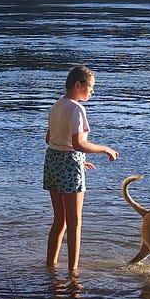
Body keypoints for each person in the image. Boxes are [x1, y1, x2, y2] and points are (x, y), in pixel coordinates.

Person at [43, 65, 118, 274]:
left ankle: (50, 265)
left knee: (59, 220)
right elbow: (78, 144)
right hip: (68, 163)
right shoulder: (77, 109)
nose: (92, 92)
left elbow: (50, 138)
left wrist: (79, 160)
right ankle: (73, 272)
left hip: (53, 163)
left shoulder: (57, 105)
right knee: (75, 223)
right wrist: (105, 149)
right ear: (78, 85)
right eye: (91, 87)